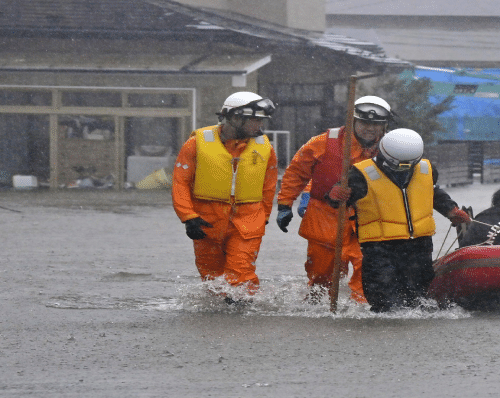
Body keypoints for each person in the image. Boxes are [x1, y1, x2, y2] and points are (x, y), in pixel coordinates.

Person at [327, 128, 472, 312]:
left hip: (419, 246)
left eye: (408, 165)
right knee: (385, 301)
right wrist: (335, 195)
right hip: (380, 248)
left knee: (419, 298)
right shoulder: (360, 175)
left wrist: (451, 210)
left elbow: (433, 192)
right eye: (398, 166)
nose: (403, 169)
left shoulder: (427, 169)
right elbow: (336, 201)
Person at [274, 96, 393, 303]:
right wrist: (285, 204)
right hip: (325, 217)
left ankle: (362, 313)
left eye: (376, 124)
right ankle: (315, 306)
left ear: (384, 126)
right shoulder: (322, 142)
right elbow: (296, 173)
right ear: (353, 121)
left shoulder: (392, 148)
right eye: (364, 123)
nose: (370, 129)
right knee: (321, 275)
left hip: (369, 218)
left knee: (367, 271)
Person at [172, 91, 278, 299]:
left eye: (261, 120)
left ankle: (241, 319)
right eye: (255, 120)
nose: (260, 126)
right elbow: (180, 182)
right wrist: (188, 216)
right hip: (206, 221)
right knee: (211, 278)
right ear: (235, 118)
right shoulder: (196, 144)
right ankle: (220, 321)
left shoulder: (265, 148)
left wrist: (263, 216)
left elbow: (269, 186)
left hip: (248, 220)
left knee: (240, 273)